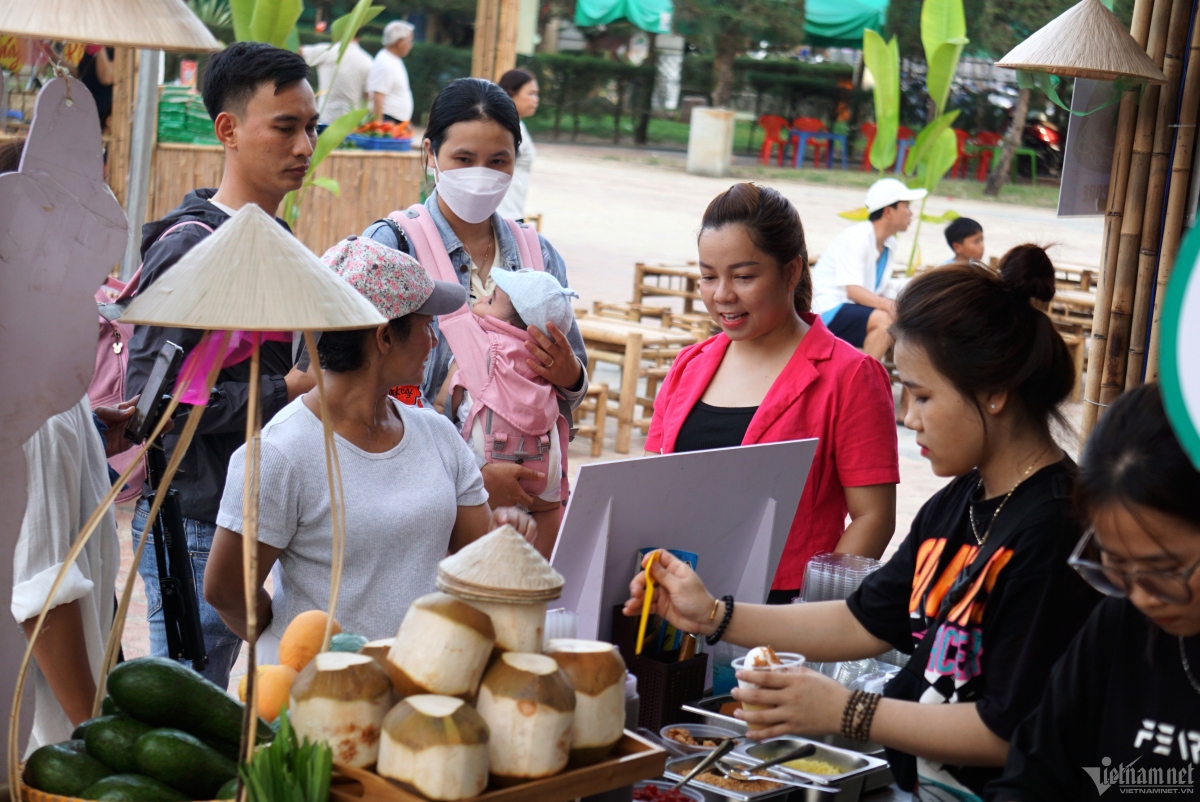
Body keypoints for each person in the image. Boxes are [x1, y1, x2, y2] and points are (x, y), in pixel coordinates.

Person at [626, 245, 1099, 801]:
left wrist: (850, 711)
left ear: (995, 394)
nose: (907, 416)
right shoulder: (959, 504)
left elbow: (1007, 728)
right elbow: (864, 620)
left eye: (922, 395)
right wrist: (712, 615)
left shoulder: (1053, 529)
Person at [204, 237, 534, 643]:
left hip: (419, 688)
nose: (434, 342)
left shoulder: (438, 437)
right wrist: (293, 644)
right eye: (425, 326)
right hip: (318, 692)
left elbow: (476, 556)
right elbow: (225, 591)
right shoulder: (279, 454)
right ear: (385, 338)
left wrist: (505, 530)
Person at [125, 42, 318, 689]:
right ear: (228, 130)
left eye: (311, 127)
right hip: (195, 520)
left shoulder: (282, 245)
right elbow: (151, 405)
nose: (305, 146)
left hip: (260, 521)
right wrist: (283, 390)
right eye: (285, 127)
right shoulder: (189, 246)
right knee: (183, 716)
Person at [645, 183, 898, 600]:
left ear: (791, 272)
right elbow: (654, 485)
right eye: (708, 276)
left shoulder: (850, 376)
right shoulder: (688, 367)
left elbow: (874, 518)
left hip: (782, 609)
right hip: (679, 600)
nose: (722, 294)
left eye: (743, 276)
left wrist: (808, 615)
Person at [363, 77, 589, 516]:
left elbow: (571, 389)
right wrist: (468, 477)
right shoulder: (392, 248)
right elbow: (360, 390)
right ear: (430, 153)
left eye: (498, 161)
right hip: (414, 502)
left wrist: (569, 375)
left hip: (524, 503)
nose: (480, 175)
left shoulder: (538, 255)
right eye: (463, 159)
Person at [988, 383, 1200, 801]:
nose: (1142, 596)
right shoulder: (1120, 625)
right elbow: (1033, 776)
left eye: (1165, 570)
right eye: (1118, 568)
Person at [13, 395, 134, 753]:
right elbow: (42, 598)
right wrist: (96, 737)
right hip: (44, 739)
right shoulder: (40, 413)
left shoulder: (54, 400)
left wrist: (89, 439)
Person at [444, 268, 579, 554]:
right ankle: (533, 575)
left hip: (487, 453)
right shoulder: (547, 360)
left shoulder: (481, 345)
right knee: (546, 509)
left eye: (491, 300)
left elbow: (448, 403)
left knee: (475, 513)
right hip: (544, 457)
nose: (480, 297)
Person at [810, 178, 926, 359]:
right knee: (886, 320)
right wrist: (890, 306)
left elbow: (881, 286)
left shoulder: (889, 244)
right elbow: (854, 290)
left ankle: (862, 374)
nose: (911, 213)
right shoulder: (858, 238)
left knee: (893, 323)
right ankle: (864, 380)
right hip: (827, 310)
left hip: (852, 310)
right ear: (888, 211)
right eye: (906, 207)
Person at [301, 36, 373, 127]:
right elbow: (368, 97)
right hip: (350, 122)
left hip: (324, 116)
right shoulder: (367, 60)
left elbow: (298, 51)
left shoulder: (328, 50)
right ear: (359, 37)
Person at [496, 69, 539, 220]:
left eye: (536, 94)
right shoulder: (506, 127)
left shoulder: (518, 124)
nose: (536, 99)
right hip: (504, 213)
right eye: (531, 93)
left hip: (512, 210)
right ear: (511, 93)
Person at [368, 21, 415, 124]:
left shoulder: (393, 59)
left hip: (395, 120)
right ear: (399, 42)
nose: (410, 46)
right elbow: (378, 96)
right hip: (388, 121)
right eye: (409, 42)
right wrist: (378, 126)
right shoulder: (385, 62)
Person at [76, 46, 115, 132]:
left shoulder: (120, 53)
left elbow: (107, 77)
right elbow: (78, 72)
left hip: (94, 113)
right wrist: (52, 55)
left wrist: (99, 46)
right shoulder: (100, 47)